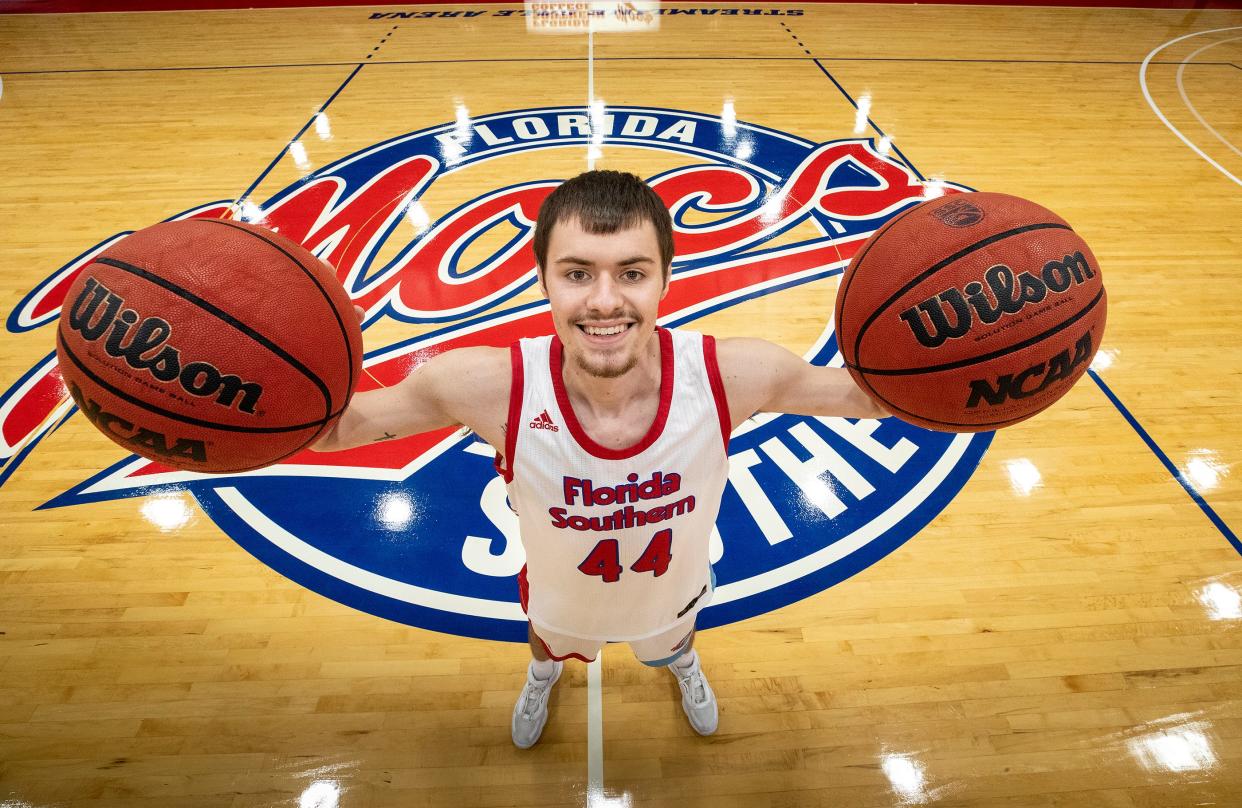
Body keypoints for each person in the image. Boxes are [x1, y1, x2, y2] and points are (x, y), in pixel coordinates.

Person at [311, 170, 888, 748]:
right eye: (578, 273)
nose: (605, 301)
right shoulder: (487, 385)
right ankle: (543, 674)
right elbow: (330, 432)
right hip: (562, 594)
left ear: (666, 278)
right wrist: (314, 349)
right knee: (545, 640)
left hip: (671, 590)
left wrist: (961, 356)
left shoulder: (733, 376)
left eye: (632, 273)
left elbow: (873, 396)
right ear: (543, 280)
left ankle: (682, 665)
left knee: (676, 640)